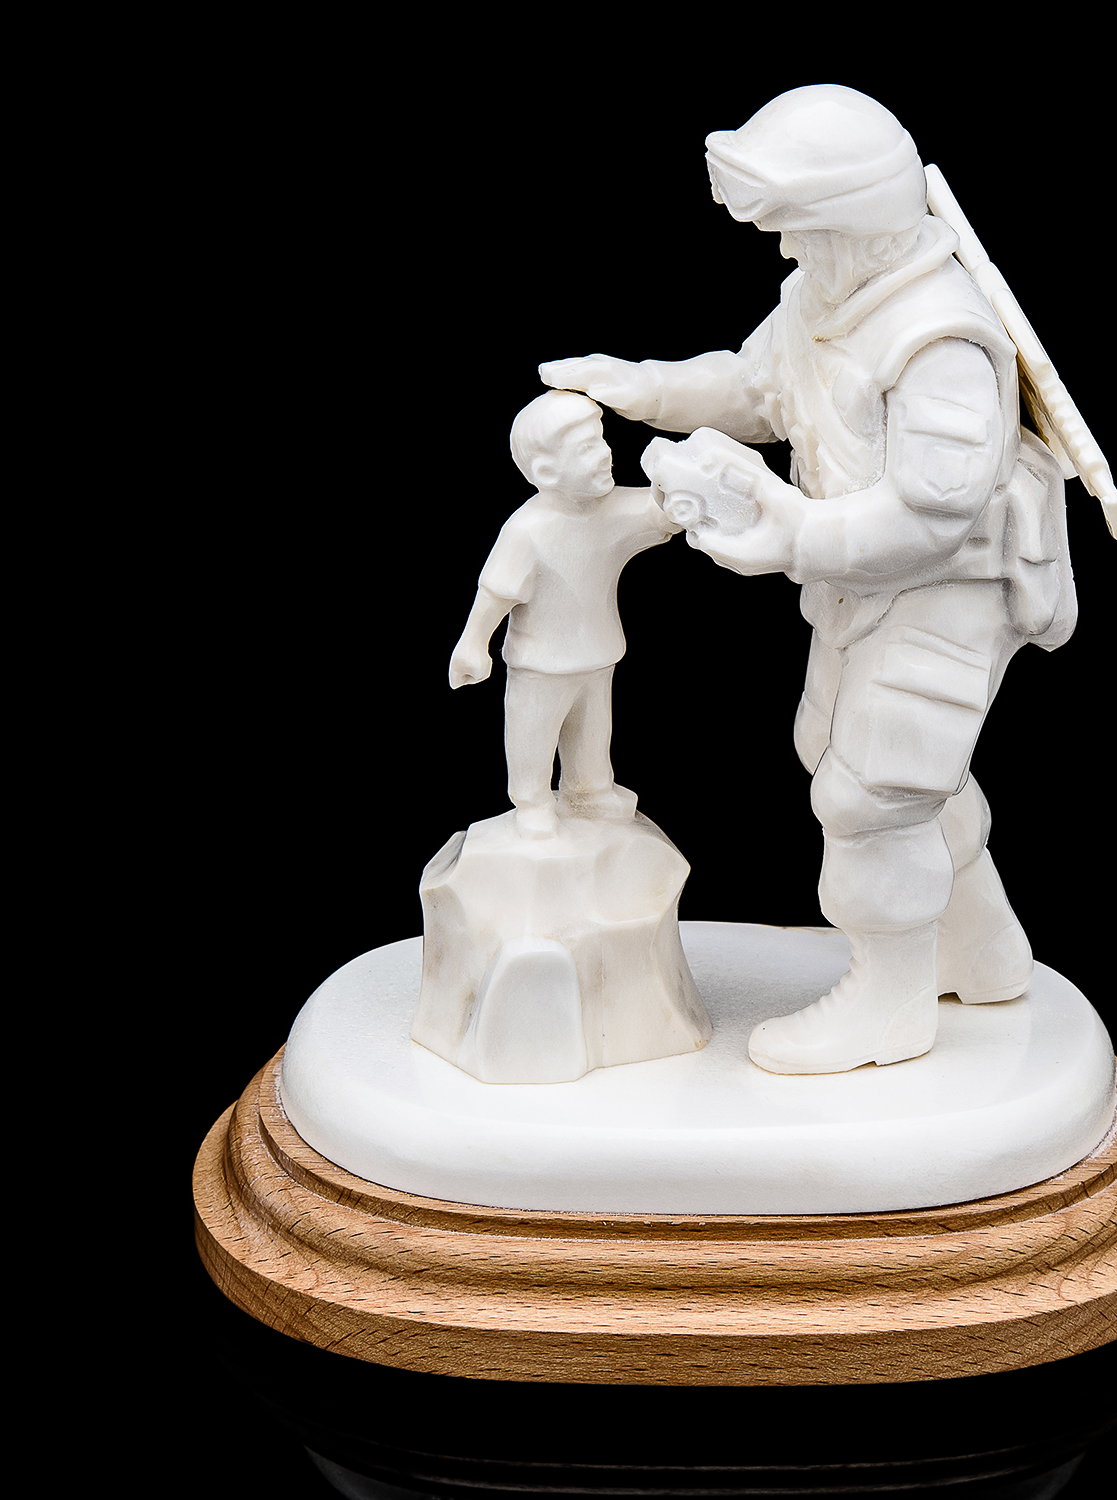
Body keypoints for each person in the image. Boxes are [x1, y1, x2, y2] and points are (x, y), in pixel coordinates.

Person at [540, 85, 1076, 1074]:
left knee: (871, 792)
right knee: (849, 753)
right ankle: (980, 950)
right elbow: (756, 389)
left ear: (859, 222)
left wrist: (791, 532)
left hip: (945, 594)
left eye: (802, 229)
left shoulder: (938, 340)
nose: (788, 249)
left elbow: (931, 515)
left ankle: (891, 1003)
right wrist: (647, 386)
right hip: (860, 585)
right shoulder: (826, 301)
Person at [450, 391, 680, 839]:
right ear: (547, 472)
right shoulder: (527, 530)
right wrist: (473, 643)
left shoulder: (613, 509)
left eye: (602, 440)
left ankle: (589, 790)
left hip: (598, 651)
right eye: (587, 448)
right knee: (532, 731)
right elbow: (496, 592)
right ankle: (532, 800)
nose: (605, 454)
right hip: (541, 661)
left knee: (593, 729)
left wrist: (682, 485)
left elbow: (661, 514)